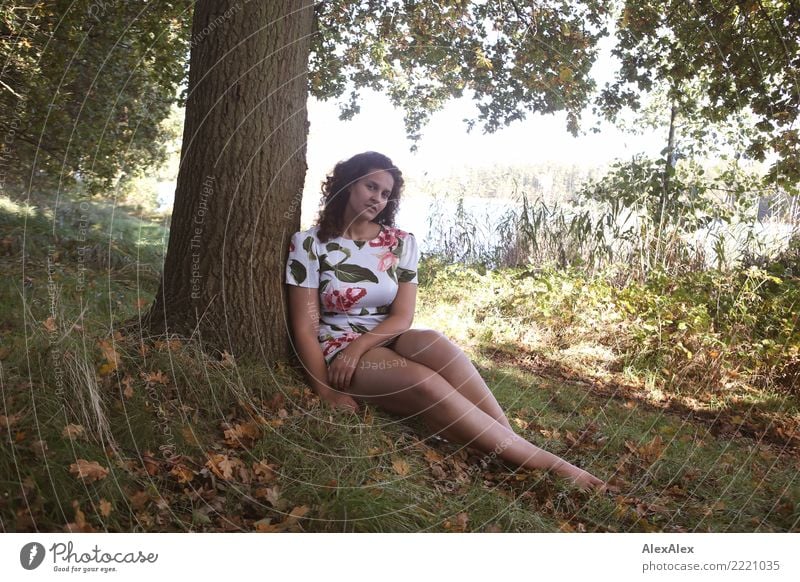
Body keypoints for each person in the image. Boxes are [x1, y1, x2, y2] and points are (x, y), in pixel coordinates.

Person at [285, 151, 604, 491]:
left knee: (435, 342)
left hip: (383, 335)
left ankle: (511, 448)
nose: (377, 198)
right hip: (339, 345)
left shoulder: (400, 243)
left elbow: (403, 316)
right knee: (424, 384)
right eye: (371, 186)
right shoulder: (309, 243)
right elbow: (304, 326)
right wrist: (325, 391)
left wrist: (363, 343)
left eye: (385, 193)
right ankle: (551, 465)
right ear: (348, 183)